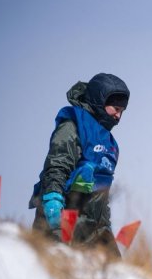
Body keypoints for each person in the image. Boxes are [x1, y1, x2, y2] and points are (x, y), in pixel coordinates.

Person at [29, 73, 130, 257]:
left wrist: (106, 227)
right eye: (115, 109)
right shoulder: (73, 126)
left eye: (121, 111)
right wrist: (53, 200)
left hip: (94, 228)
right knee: (59, 273)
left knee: (119, 277)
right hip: (63, 218)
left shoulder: (110, 145)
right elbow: (58, 164)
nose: (118, 116)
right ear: (100, 101)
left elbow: (102, 193)